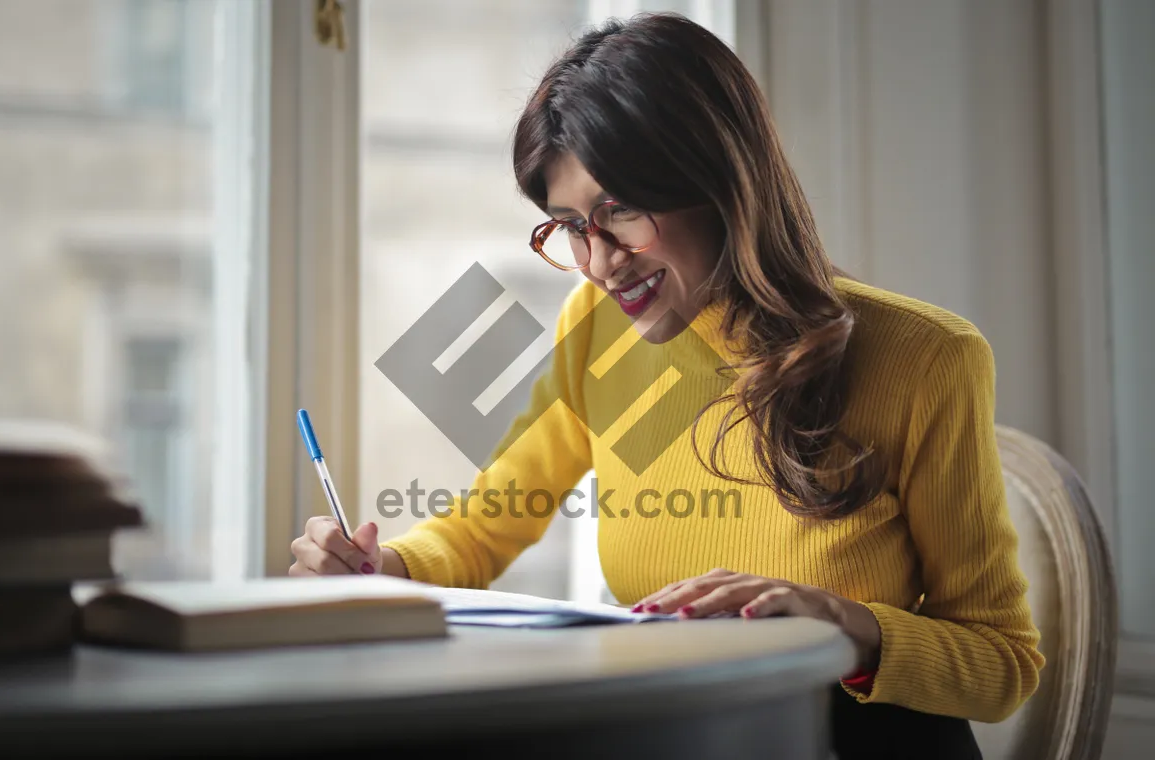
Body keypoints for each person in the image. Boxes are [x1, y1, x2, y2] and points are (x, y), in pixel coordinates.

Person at [289, 12, 1042, 758]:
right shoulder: (594, 327)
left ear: (718, 182)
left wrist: (843, 622)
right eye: (570, 226)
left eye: (619, 211)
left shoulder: (926, 357)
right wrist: (380, 570)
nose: (598, 262)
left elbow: (1002, 665)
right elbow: (486, 526)